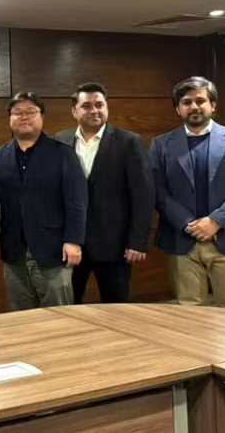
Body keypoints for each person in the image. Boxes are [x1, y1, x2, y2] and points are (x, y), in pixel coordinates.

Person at [0, 92, 87, 311]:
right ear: (10, 118)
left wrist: (74, 240)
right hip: (14, 253)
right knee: (21, 316)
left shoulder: (63, 154)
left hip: (54, 251)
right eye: (17, 112)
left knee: (58, 315)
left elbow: (76, 201)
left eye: (31, 111)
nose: (24, 116)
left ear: (42, 117)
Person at [55, 82, 154, 303]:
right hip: (71, 245)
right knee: (68, 309)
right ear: (74, 111)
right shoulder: (60, 140)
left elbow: (144, 196)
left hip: (115, 247)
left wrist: (137, 242)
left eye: (99, 105)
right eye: (86, 106)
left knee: (116, 310)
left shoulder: (129, 142)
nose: (94, 110)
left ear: (107, 107)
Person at [151, 76, 225, 306]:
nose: (194, 106)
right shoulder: (161, 144)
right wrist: (188, 224)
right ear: (178, 109)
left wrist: (216, 220)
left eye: (200, 100)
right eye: (186, 102)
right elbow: (156, 190)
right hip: (182, 240)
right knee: (189, 314)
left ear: (213, 105)